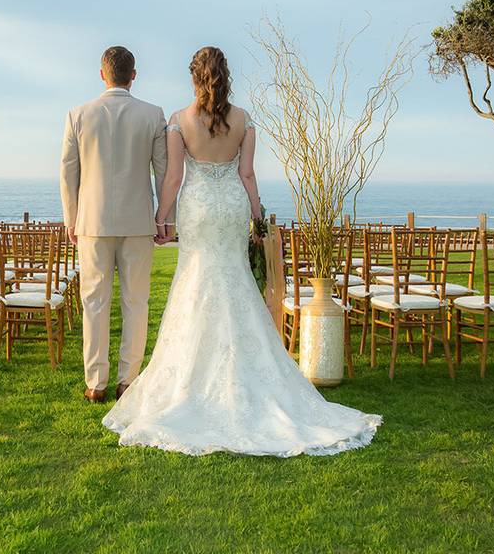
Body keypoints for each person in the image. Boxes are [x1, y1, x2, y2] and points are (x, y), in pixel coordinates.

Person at [102, 47, 381, 457]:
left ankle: (191, 382)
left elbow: (174, 177)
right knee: (234, 278)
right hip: (231, 205)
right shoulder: (244, 121)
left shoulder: (179, 121)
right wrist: (257, 217)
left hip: (197, 209)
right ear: (226, 77)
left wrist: (162, 218)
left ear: (195, 78)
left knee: (196, 281)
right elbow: (247, 174)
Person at [60, 46, 169, 404]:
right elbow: (163, 172)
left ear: (102, 74)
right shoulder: (153, 115)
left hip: (91, 221)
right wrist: (164, 219)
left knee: (94, 303)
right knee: (136, 302)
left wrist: (71, 219)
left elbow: (68, 173)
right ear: (133, 74)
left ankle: (96, 383)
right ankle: (129, 381)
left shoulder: (78, 115)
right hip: (138, 221)